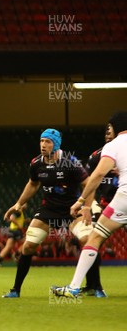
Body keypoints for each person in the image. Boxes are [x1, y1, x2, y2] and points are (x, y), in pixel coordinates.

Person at [2, 128, 93, 298]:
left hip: (72, 208)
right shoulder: (36, 163)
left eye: (48, 142)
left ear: (56, 144)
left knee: (87, 240)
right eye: (41, 141)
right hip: (49, 209)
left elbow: (88, 184)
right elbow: (33, 184)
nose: (43, 145)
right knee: (28, 245)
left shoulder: (70, 161)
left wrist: (85, 206)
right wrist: (19, 203)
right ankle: (15, 290)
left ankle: (94, 287)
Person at [52, 112, 127, 299]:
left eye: (110, 126)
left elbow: (97, 175)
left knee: (94, 237)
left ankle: (74, 288)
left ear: (116, 126)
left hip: (123, 199)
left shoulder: (114, 145)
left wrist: (81, 202)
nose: (108, 130)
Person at [76, 123, 118, 296]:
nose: (108, 133)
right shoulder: (96, 157)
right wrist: (86, 206)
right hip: (105, 204)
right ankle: (95, 285)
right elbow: (89, 183)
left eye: (112, 130)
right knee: (91, 240)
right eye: (106, 131)